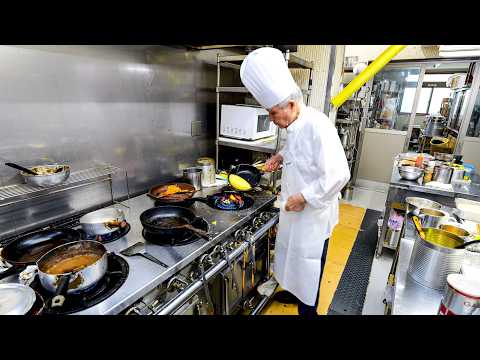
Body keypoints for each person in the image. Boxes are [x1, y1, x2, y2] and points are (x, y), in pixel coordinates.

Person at [240, 47, 350, 315]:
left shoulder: (318, 125)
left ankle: (308, 312)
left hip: (312, 217)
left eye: (274, 113)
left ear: (290, 105)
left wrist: (304, 197)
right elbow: (301, 151)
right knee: (294, 264)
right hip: (296, 212)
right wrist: (280, 155)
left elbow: (338, 174)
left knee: (309, 271)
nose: (272, 119)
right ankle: (296, 293)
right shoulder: (297, 123)